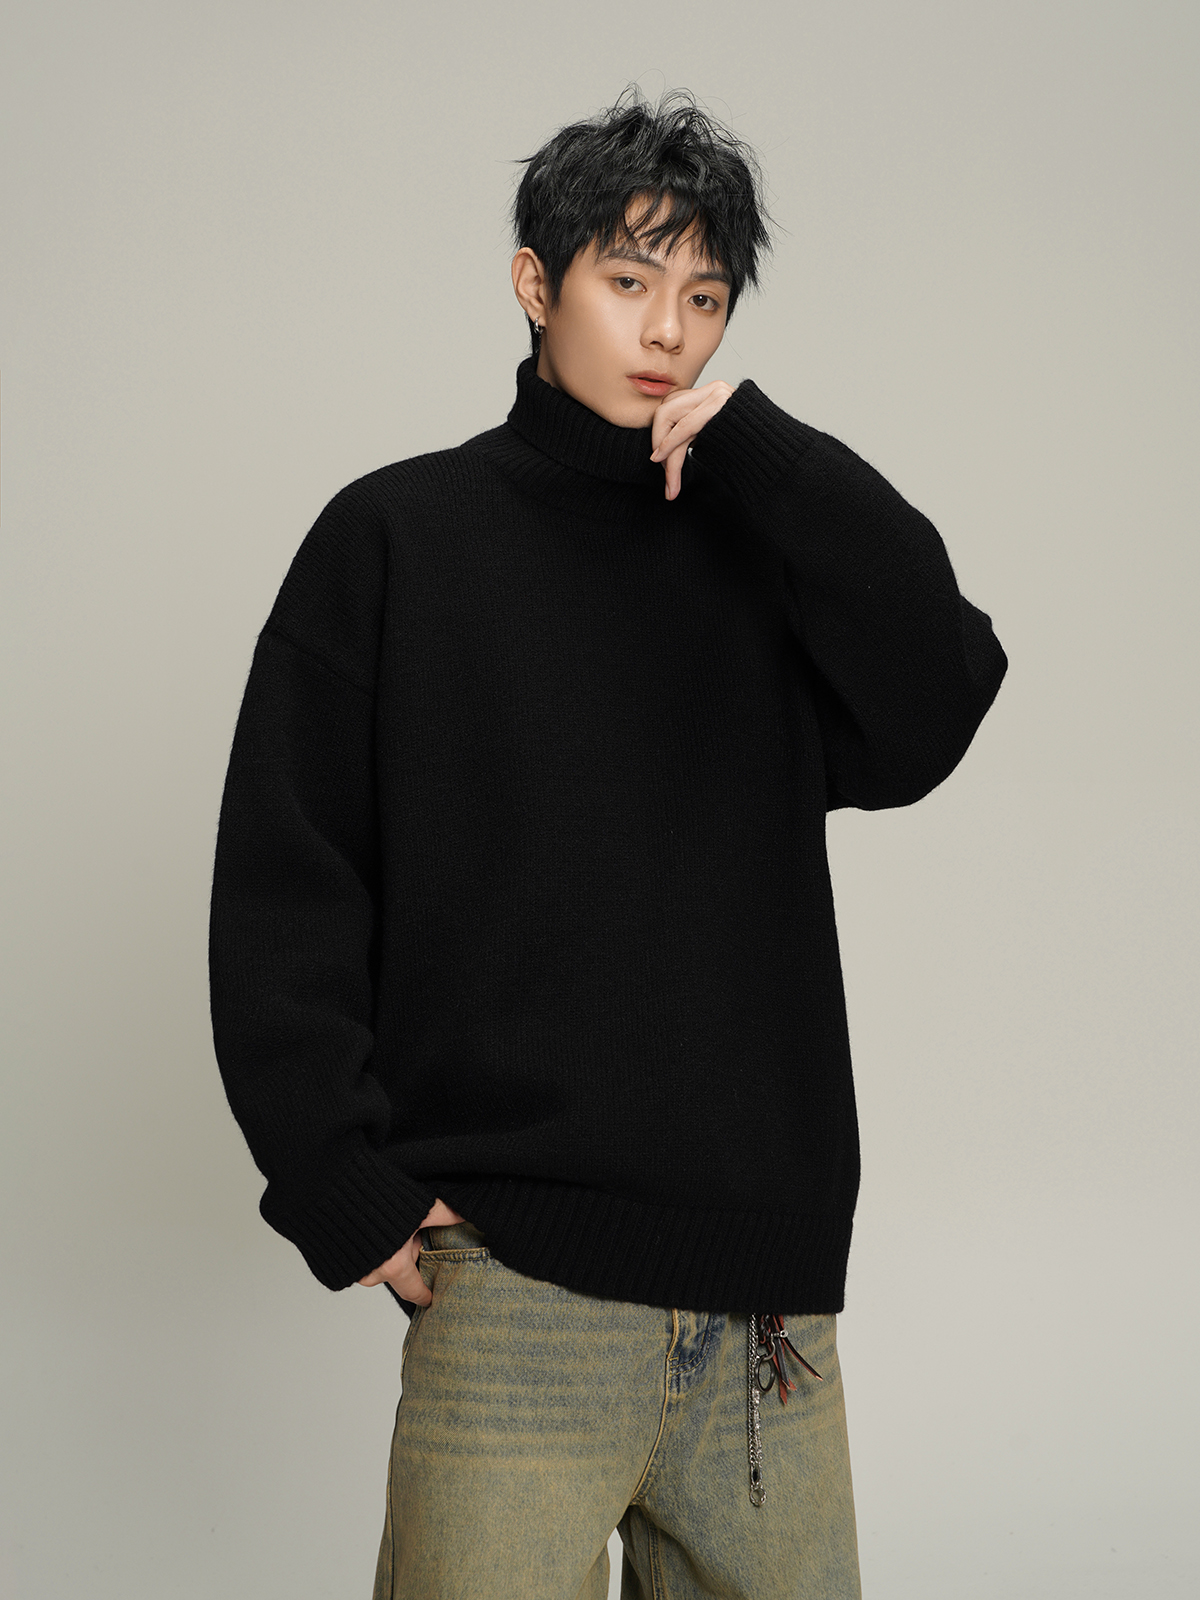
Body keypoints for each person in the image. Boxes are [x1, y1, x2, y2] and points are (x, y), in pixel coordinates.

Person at [208, 87, 1007, 1600]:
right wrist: (342, 1183)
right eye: (629, 280)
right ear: (536, 282)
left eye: (703, 297)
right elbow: (286, 880)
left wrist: (772, 458)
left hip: (765, 1318)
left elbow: (943, 695)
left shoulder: (761, 546)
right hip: (514, 1292)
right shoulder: (399, 539)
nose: (667, 331)